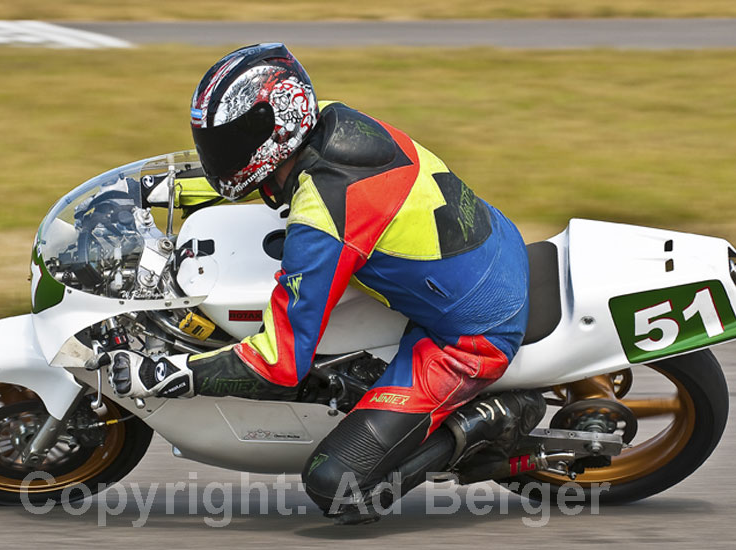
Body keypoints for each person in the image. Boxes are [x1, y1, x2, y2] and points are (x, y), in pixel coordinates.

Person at [106, 43, 544, 524]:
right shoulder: (334, 122)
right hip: (489, 247)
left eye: (227, 143)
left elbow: (280, 363)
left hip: (468, 339)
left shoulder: (325, 218)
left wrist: (170, 374)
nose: (218, 156)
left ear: (273, 131)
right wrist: (155, 190)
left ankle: (487, 423)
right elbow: (259, 169)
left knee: (336, 486)